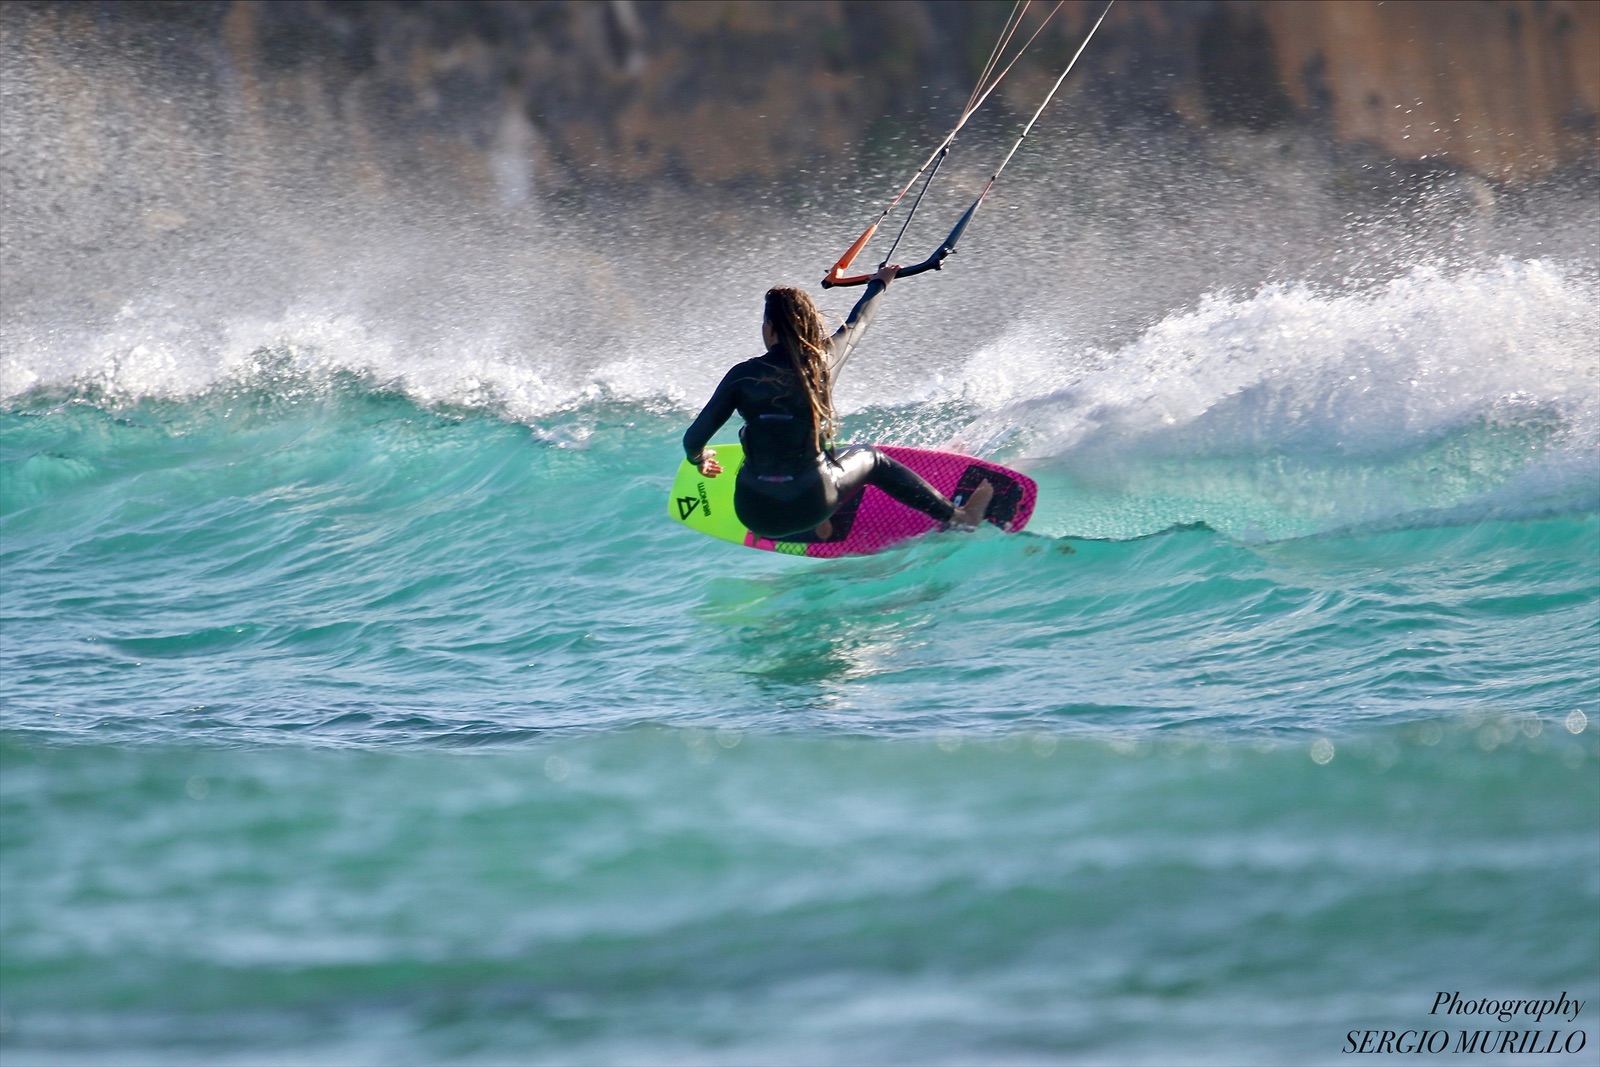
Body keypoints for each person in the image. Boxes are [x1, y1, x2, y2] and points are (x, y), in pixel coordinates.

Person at [683, 264, 992, 542]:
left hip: (755, 516)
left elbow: (693, 440)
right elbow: (858, 323)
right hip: (813, 503)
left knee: (760, 440)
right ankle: (958, 518)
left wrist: (700, 458)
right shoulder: (824, 361)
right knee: (871, 459)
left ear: (770, 328)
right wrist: (880, 283)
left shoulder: (742, 376)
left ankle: (818, 527)